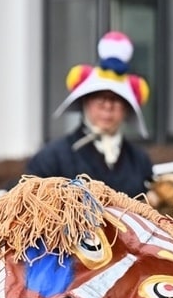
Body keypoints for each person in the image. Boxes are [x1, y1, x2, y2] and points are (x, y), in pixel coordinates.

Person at [25, 32, 153, 199]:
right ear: (85, 101)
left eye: (117, 100)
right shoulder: (52, 157)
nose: (108, 106)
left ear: (127, 108)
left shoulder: (139, 161)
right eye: (99, 98)